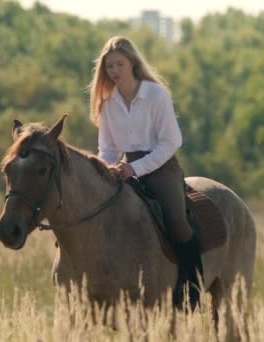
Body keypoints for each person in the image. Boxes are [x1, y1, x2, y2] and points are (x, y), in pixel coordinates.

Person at [88, 35, 203, 306]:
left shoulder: (155, 94)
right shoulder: (106, 103)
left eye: (119, 64)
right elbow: (107, 150)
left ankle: (191, 289)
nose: (114, 71)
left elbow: (172, 142)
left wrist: (135, 168)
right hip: (123, 169)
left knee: (177, 222)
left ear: (133, 63)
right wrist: (106, 171)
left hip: (161, 168)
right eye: (109, 67)